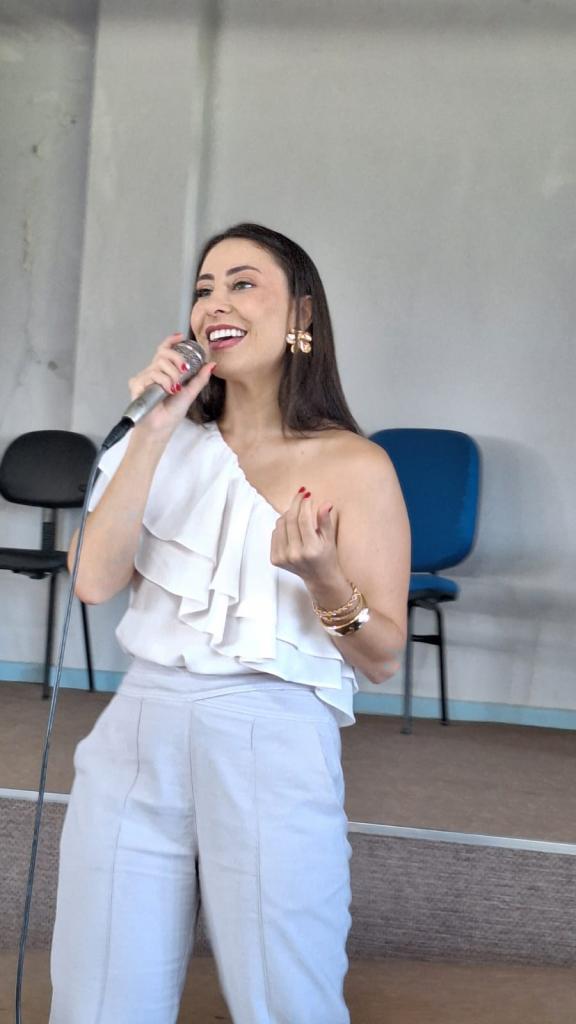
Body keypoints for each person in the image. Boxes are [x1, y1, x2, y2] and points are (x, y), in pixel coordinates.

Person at [49, 223, 410, 1024]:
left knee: (285, 994)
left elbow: (383, 655)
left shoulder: (356, 464)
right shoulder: (164, 439)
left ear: (301, 315)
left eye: (243, 283)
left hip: (270, 729)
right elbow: (95, 581)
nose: (215, 302)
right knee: (99, 991)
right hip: (138, 725)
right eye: (203, 289)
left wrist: (325, 578)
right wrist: (153, 431)